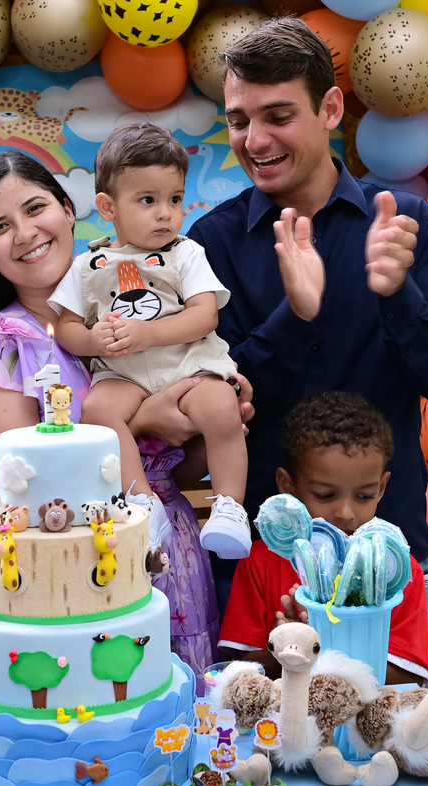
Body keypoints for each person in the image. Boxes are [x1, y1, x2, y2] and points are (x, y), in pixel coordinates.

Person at [188, 18, 428, 677]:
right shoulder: (211, 245)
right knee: (264, 738)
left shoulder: (405, 223)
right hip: (264, 575)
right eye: (238, 120)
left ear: (329, 108)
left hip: (393, 566)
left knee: (397, 736)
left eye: (277, 116)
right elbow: (217, 404)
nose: (254, 140)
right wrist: (295, 316)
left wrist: (399, 294)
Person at [0, 151, 254, 675]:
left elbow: (178, 471)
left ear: (68, 209)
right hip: (82, 569)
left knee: (179, 708)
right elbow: (26, 490)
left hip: (175, 551)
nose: (26, 233)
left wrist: (214, 414)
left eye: (36, 208)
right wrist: (143, 420)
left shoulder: (138, 304)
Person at [50, 123, 251, 559]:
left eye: (174, 200)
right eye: (148, 201)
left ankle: (229, 507)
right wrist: (94, 340)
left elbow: (205, 314)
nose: (165, 214)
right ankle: (142, 502)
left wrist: (149, 333)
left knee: (221, 405)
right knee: (99, 411)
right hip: (123, 373)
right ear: (108, 207)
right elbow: (66, 327)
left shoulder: (185, 252)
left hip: (188, 364)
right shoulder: (86, 266)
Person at [217, 391, 428, 685]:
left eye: (364, 496)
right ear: (287, 485)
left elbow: (408, 676)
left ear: (382, 488)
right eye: (325, 495)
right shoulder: (259, 562)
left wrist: (324, 648)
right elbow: (243, 668)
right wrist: (291, 647)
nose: (345, 513)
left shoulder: (398, 572)